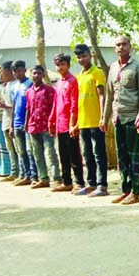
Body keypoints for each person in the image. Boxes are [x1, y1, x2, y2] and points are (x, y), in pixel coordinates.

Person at [104, 36, 139, 205]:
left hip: (132, 118)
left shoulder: (138, 66)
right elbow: (109, 94)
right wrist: (104, 117)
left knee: (134, 156)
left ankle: (136, 192)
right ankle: (125, 190)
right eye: (118, 45)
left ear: (130, 47)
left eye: (124, 44)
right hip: (118, 117)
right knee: (122, 158)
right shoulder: (113, 67)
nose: (121, 47)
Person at [74, 44, 109, 197]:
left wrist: (103, 116)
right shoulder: (79, 76)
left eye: (84, 56)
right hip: (83, 122)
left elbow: (102, 95)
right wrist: (75, 122)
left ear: (91, 55)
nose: (82, 59)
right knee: (87, 154)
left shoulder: (98, 73)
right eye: (79, 57)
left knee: (99, 153)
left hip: (96, 121)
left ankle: (102, 185)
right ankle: (91, 183)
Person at [50, 53, 85, 192]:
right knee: (63, 155)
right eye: (58, 65)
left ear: (68, 65)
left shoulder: (72, 81)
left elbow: (74, 104)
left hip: (69, 124)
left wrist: (72, 124)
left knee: (74, 154)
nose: (60, 67)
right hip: (59, 124)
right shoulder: (59, 83)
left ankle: (79, 182)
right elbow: (55, 103)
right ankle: (66, 182)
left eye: (62, 64)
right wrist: (51, 121)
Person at [25, 65, 61, 189]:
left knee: (50, 153)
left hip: (46, 126)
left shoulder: (49, 90)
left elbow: (54, 108)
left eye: (39, 73)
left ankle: (56, 178)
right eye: (34, 73)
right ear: (31, 75)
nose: (37, 76)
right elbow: (28, 109)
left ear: (43, 75)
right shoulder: (28, 92)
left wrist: (54, 124)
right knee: (37, 154)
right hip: (33, 126)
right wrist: (26, 125)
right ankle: (43, 178)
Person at [10, 61, 38, 186]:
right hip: (16, 123)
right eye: (15, 71)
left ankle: (34, 176)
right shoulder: (15, 87)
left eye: (20, 70)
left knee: (30, 151)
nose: (17, 73)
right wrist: (11, 125)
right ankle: (25, 175)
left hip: (27, 123)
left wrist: (28, 122)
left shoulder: (30, 85)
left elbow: (31, 106)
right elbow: (14, 106)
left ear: (25, 70)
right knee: (21, 151)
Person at [0, 63, 14, 178]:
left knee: (17, 149)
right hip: (4, 119)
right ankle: (13, 172)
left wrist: (5, 106)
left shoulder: (15, 86)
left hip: (13, 121)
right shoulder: (6, 86)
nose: (1, 76)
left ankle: (18, 172)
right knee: (10, 148)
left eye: (3, 73)